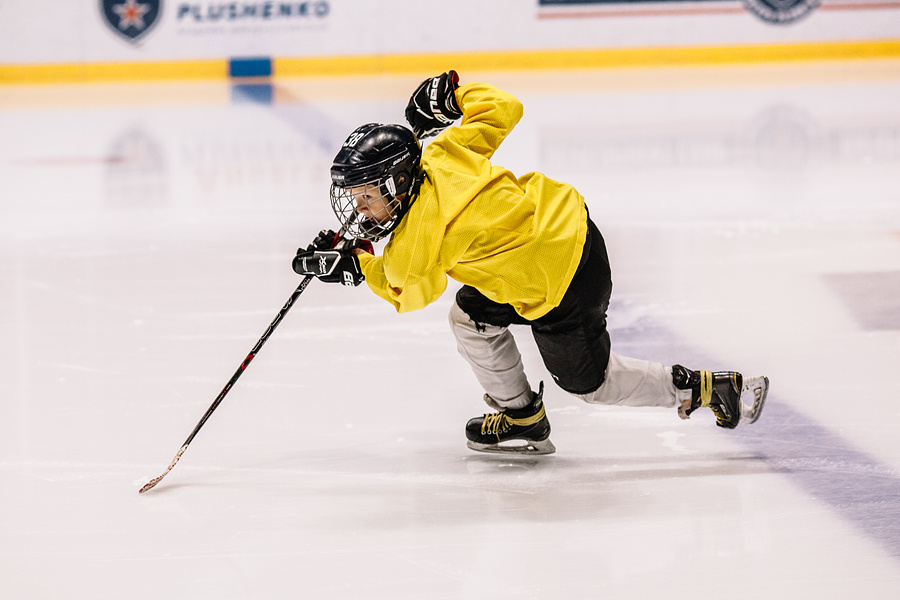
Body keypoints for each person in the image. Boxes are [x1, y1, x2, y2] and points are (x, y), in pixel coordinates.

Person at [292, 71, 768, 455]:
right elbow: (504, 107)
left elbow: (405, 291)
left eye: (366, 196)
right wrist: (454, 96)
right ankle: (523, 417)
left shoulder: (416, 241)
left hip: (560, 287)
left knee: (591, 386)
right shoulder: (441, 152)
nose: (359, 209)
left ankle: (708, 387)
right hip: (575, 230)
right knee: (470, 316)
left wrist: (356, 266)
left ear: (397, 184)